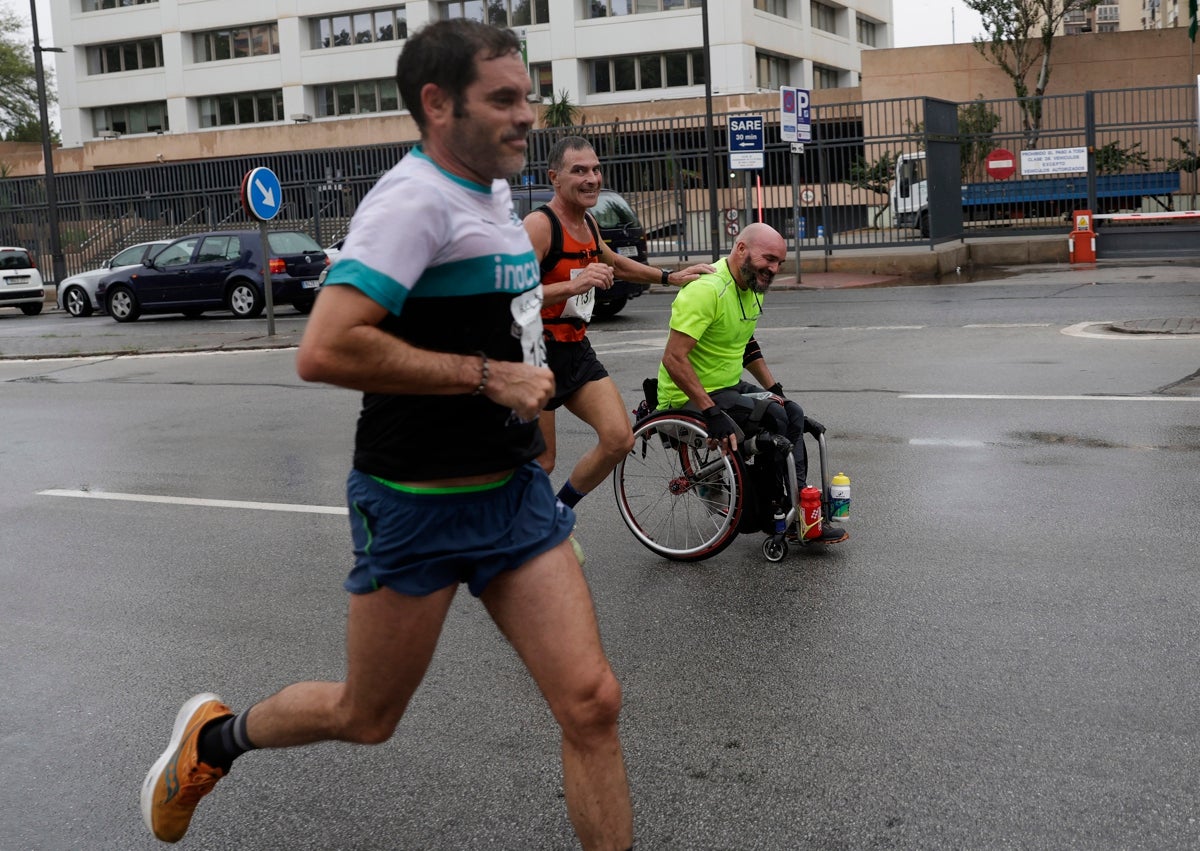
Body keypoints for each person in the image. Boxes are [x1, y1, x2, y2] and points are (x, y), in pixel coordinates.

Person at [140, 20, 633, 851]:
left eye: (529, 95)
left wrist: (530, 366)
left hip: (511, 496)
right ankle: (212, 741)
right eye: (504, 99)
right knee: (366, 715)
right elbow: (326, 346)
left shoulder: (489, 186)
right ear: (437, 105)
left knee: (592, 702)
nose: (527, 116)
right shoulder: (412, 202)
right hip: (417, 502)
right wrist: (489, 377)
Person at [524, 135, 712, 510]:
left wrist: (669, 277)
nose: (591, 178)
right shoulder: (539, 226)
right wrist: (573, 285)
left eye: (595, 169)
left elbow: (616, 263)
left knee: (618, 439)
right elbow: (509, 298)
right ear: (554, 178)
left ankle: (558, 513)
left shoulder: (589, 223)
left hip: (575, 351)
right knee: (541, 462)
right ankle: (494, 535)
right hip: (534, 355)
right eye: (579, 170)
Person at [656, 222, 848, 544]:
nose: (773, 269)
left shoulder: (749, 287)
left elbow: (746, 344)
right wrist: (711, 411)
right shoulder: (707, 290)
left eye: (779, 264)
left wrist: (775, 391)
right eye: (769, 258)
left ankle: (800, 508)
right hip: (686, 397)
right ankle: (783, 511)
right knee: (772, 420)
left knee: (792, 412)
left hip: (727, 387)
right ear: (741, 249)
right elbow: (674, 359)